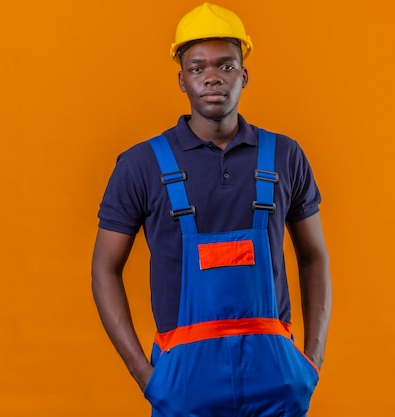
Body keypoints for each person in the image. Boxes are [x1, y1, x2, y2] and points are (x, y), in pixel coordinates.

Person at [92, 3, 331, 416]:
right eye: (198, 67)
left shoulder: (284, 156)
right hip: (183, 385)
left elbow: (314, 257)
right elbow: (103, 269)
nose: (212, 77)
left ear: (244, 74)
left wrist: (311, 362)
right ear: (181, 79)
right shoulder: (142, 165)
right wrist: (146, 377)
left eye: (226, 64)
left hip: (276, 382)